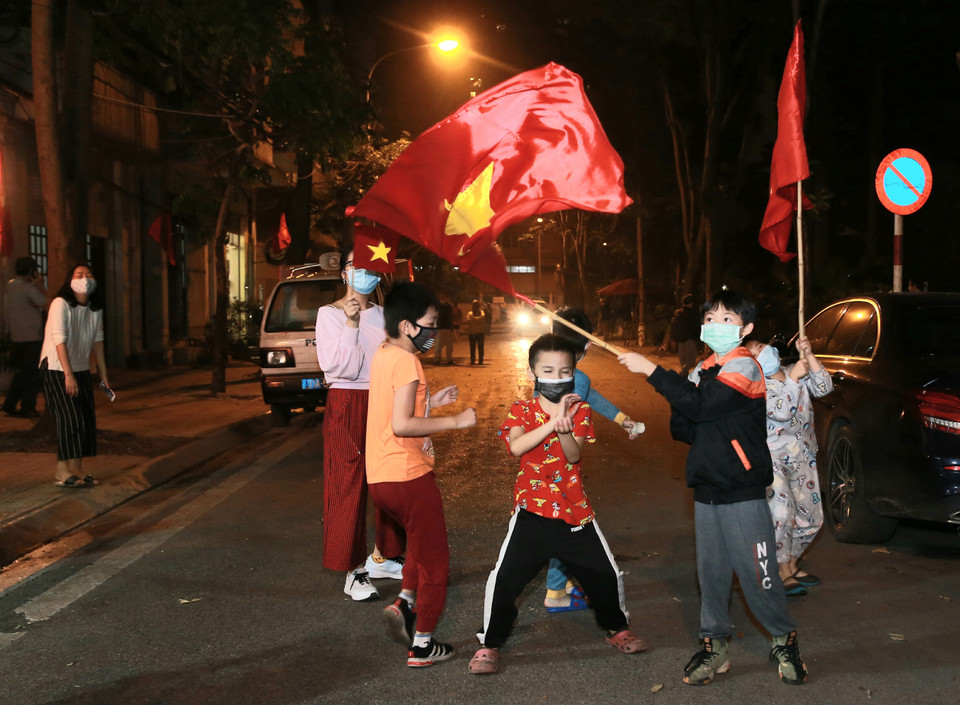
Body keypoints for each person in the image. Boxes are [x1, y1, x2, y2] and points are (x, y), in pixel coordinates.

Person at [617, 290, 808, 687]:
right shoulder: (704, 367)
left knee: (759, 574)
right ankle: (714, 645)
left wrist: (653, 372)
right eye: (710, 319)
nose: (714, 326)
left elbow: (705, 408)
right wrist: (687, 387)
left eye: (726, 319)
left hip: (741, 489)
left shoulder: (747, 366)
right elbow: (687, 428)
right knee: (712, 575)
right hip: (706, 488)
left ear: (746, 328)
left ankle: (783, 639)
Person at [469, 333, 646, 675]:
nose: (556, 377)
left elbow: (574, 454)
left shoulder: (581, 410)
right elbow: (517, 447)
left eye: (564, 370)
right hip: (531, 514)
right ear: (533, 371)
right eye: (547, 370)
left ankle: (617, 628)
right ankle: (489, 644)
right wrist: (551, 422)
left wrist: (564, 429)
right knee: (504, 580)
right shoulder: (521, 409)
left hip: (574, 512)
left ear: (573, 372)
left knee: (604, 574)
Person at [367, 281, 477, 668]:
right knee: (436, 562)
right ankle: (424, 645)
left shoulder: (384, 354)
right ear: (407, 326)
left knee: (418, 542)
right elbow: (401, 424)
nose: (435, 331)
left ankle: (404, 604)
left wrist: (432, 401)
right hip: (408, 475)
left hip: (381, 476)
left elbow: (393, 409)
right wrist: (456, 421)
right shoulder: (409, 361)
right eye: (430, 323)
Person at [315, 245, 405, 602]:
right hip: (348, 401)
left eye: (371, 267)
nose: (364, 273)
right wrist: (351, 323)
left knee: (388, 480)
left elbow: (398, 361)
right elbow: (339, 369)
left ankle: (384, 556)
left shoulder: (384, 315)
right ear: (344, 272)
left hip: (383, 400)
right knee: (347, 482)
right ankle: (354, 570)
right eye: (357, 266)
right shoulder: (329, 314)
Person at [540, 308, 644, 613]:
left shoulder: (549, 368)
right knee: (570, 526)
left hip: (539, 463)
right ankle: (556, 591)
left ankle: (562, 581)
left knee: (556, 525)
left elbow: (589, 394)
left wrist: (621, 418)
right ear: (586, 344)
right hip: (560, 466)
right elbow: (582, 398)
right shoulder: (577, 376)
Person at [745, 336, 832, 596]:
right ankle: (781, 570)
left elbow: (824, 387)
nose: (761, 351)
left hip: (804, 456)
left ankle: (791, 564)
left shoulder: (793, 371)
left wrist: (809, 355)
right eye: (753, 353)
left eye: (761, 346)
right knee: (782, 513)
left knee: (811, 517)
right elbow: (782, 411)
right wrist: (794, 376)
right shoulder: (756, 387)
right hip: (773, 459)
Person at [39, 264, 108, 488]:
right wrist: (68, 375)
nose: (85, 279)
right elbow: (59, 339)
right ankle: (61, 470)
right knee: (70, 418)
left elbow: (98, 342)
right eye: (79, 275)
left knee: (86, 419)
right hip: (57, 367)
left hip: (80, 368)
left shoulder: (95, 308)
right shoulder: (61, 304)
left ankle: (76, 468)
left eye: (89, 274)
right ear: (70, 281)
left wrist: (104, 377)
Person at [3, 257, 47, 417]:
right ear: (31, 271)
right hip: (32, 336)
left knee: (22, 372)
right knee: (30, 374)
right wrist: (41, 285)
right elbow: (45, 303)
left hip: (17, 336)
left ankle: (10, 403)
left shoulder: (10, 285)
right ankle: (27, 407)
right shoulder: (29, 288)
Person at [672, 294, 701, 377]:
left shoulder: (677, 313)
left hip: (679, 339)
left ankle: (684, 372)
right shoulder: (692, 313)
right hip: (689, 338)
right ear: (690, 303)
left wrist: (673, 338)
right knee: (692, 357)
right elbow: (695, 325)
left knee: (683, 358)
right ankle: (683, 372)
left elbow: (674, 326)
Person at [432, 296, 455, 364]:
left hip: (446, 327)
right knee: (439, 345)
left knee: (449, 346)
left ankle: (448, 359)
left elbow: (451, 317)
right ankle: (437, 359)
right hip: (440, 328)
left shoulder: (449, 306)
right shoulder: (439, 306)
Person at [464, 299, 486, 365]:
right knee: (472, 348)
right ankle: (472, 360)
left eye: (477, 305)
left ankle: (480, 361)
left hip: (480, 333)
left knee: (480, 348)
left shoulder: (481, 312)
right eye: (474, 305)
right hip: (472, 333)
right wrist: (476, 320)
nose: (475, 307)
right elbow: (469, 321)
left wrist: (473, 319)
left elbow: (481, 319)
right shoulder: (470, 313)